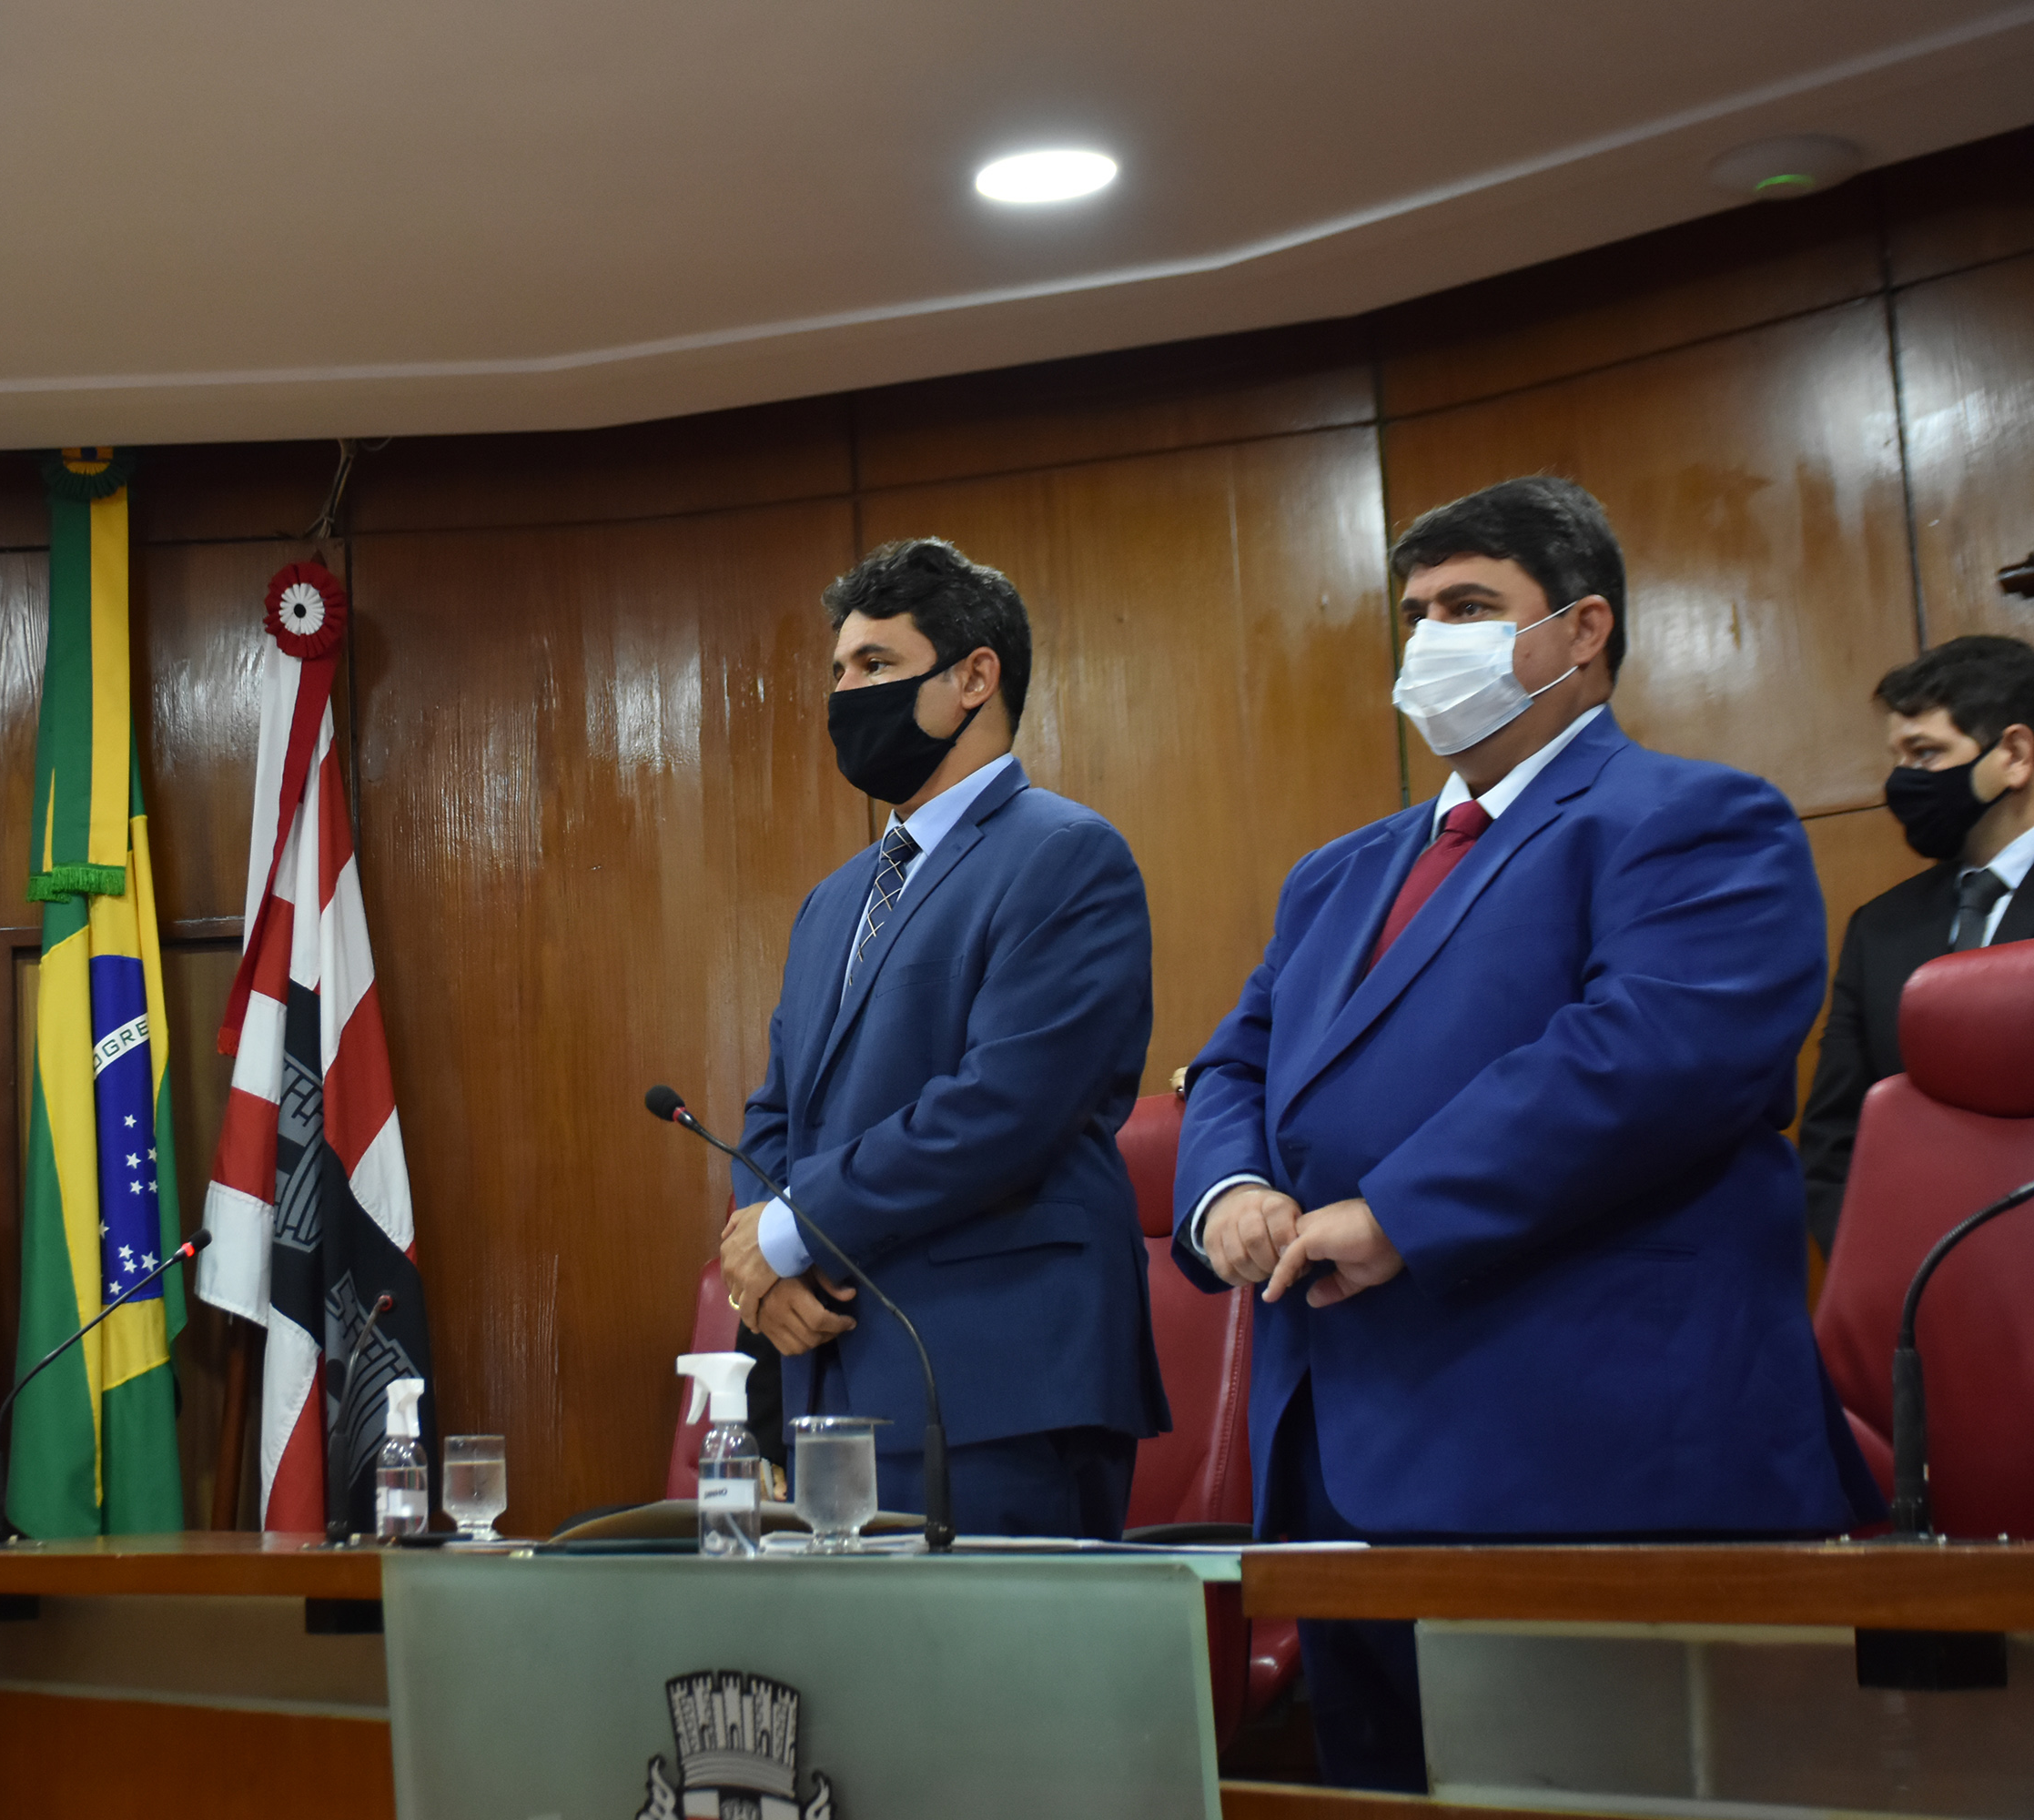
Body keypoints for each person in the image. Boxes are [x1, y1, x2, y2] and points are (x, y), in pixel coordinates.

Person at [1173, 477, 1880, 1791]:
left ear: (1583, 629)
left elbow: (1649, 1054)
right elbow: (1235, 1061)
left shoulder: (1696, 817)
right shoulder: (1337, 873)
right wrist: (1227, 1191)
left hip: (1587, 1456)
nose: (1428, 640)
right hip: (1338, 1456)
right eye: (1415, 613)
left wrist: (1398, 1210)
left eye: (1468, 606)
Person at [717, 538, 1166, 1540]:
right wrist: (765, 1265)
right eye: (839, 670)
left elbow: (1004, 1106)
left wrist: (791, 1230)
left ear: (974, 677)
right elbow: (778, 1111)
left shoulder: (1065, 854)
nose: (845, 694)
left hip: (998, 1381)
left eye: (875, 664)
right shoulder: (834, 900)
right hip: (828, 1374)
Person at [1799, 634, 2034, 1255]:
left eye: (1926, 753)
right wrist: (1884, 1270)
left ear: (2014, 755)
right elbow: (1836, 1137)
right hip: (1922, 1287)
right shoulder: (1879, 928)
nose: (1902, 781)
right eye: (1898, 758)